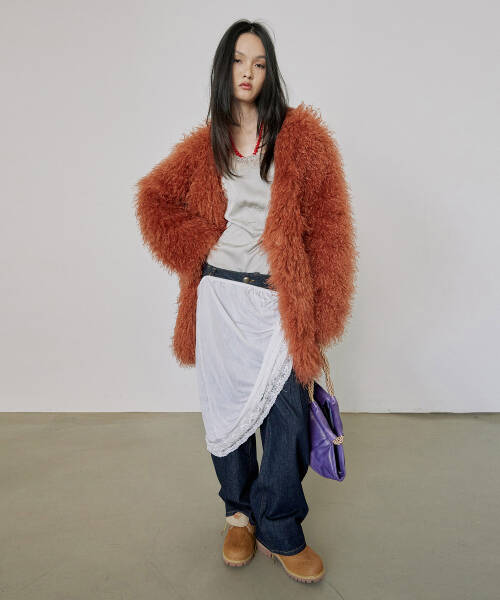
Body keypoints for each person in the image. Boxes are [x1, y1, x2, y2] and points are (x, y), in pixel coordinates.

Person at [135, 19, 357, 585]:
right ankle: (239, 514)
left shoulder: (301, 139)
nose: (248, 72)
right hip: (219, 299)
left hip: (278, 301)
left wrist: (321, 310)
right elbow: (154, 200)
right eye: (238, 60)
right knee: (226, 412)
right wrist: (203, 241)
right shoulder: (204, 145)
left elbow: (330, 226)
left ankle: (279, 524)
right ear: (223, 67)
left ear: (270, 71)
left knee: (288, 418)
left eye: (259, 63)